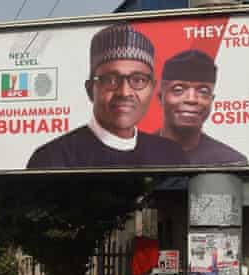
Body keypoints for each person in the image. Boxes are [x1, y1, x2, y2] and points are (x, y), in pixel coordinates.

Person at [26, 24, 186, 169]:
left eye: (138, 80)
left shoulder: (171, 155)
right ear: (90, 89)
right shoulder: (53, 158)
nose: (124, 92)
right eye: (111, 79)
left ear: (152, 89)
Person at [156, 50, 248, 166]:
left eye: (203, 91)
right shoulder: (135, 156)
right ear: (161, 97)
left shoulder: (230, 162)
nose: (191, 99)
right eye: (178, 90)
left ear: (211, 99)